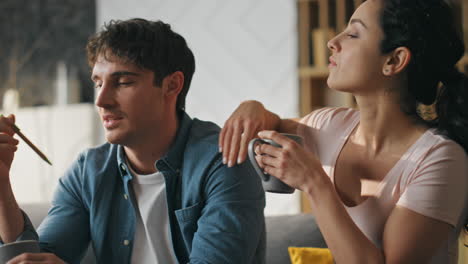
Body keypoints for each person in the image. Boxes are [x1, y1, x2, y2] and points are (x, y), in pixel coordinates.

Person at [220, 0, 468, 263]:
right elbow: (272, 124)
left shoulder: (441, 160)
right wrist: (252, 107)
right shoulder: (329, 125)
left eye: (352, 34)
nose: (333, 42)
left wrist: (315, 183)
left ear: (394, 60)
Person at [0, 18, 266, 264]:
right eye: (98, 83)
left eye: (123, 82)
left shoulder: (223, 163)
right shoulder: (88, 172)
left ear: (172, 85)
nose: (101, 101)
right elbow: (35, 259)